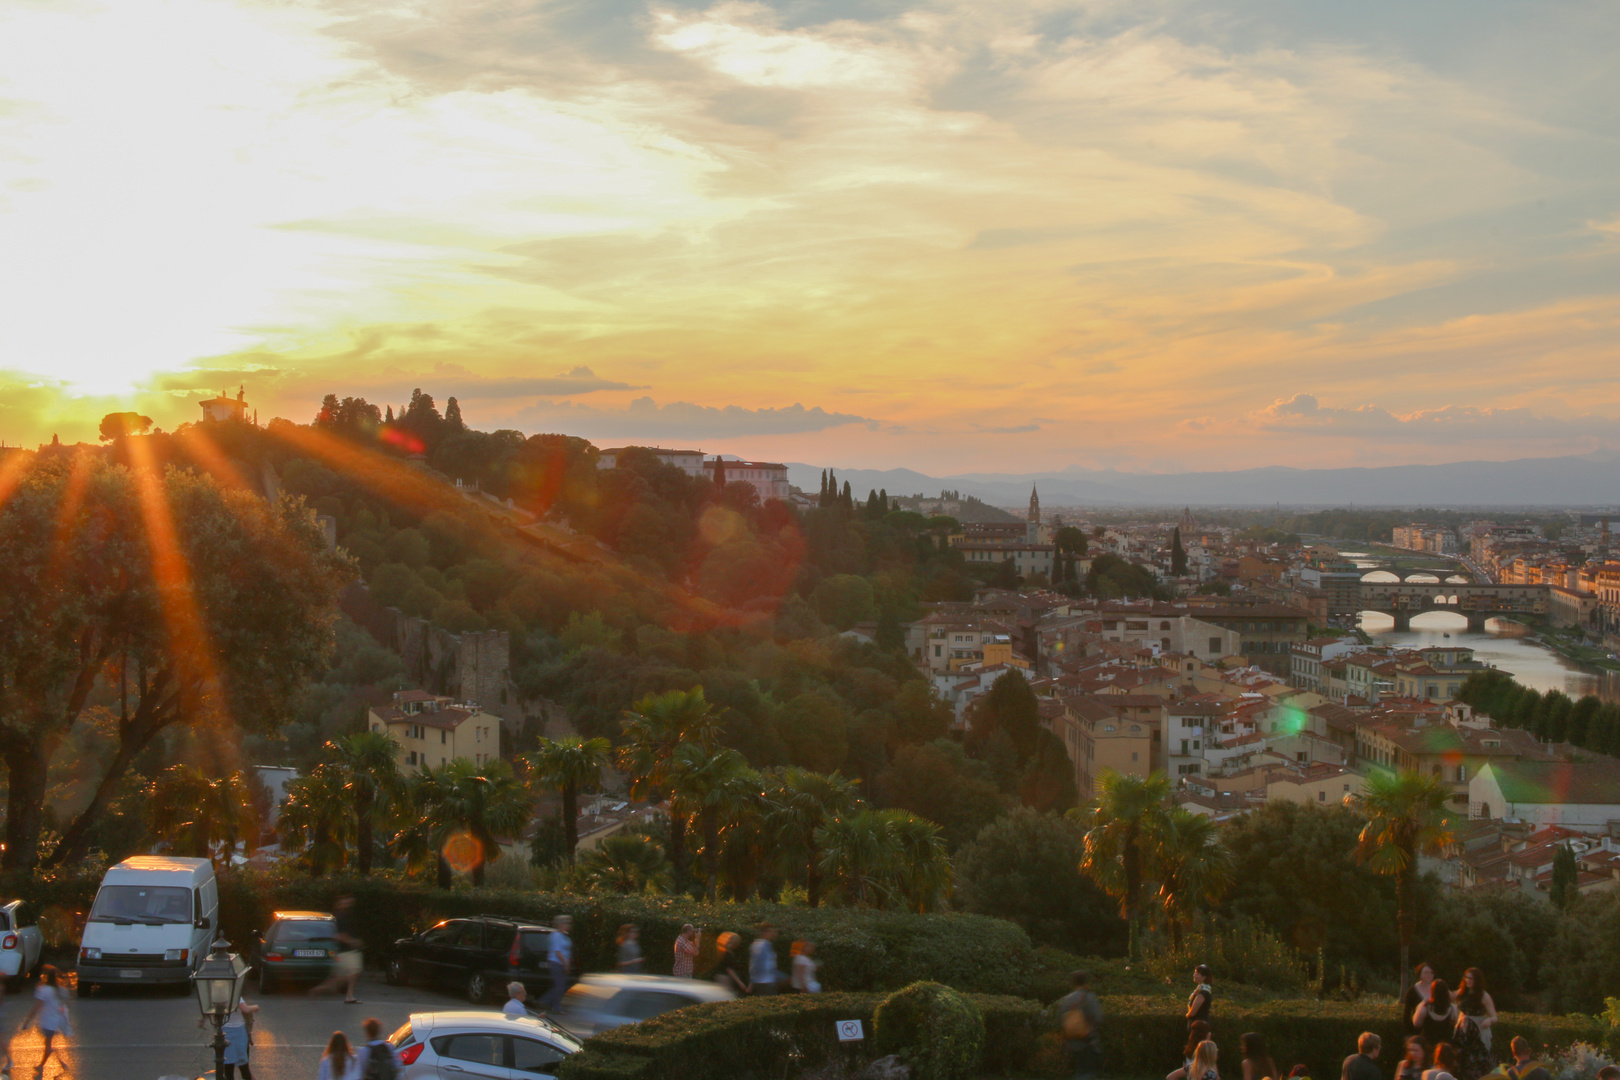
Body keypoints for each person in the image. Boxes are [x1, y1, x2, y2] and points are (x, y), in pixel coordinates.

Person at [20, 965, 71, 1076]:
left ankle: (41, 1065)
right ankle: (56, 1058)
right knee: (47, 1043)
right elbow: (66, 1004)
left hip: (47, 1022)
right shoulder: (61, 990)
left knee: (47, 1044)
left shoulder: (43, 990)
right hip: (56, 1021)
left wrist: (27, 1021)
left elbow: (36, 1007)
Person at [312, 895, 364, 1004]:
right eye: (345, 903)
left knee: (349, 974)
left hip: (348, 951)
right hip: (347, 951)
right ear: (340, 904)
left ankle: (347, 995)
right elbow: (338, 936)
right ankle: (322, 989)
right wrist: (352, 942)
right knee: (352, 973)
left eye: (349, 903)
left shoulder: (347, 916)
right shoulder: (341, 918)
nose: (348, 905)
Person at [1058, 970, 1104, 1080]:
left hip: (1071, 1040)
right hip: (1087, 1040)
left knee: (1079, 1069)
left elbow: (1061, 1019)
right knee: (1088, 1072)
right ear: (1086, 982)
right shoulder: (1089, 997)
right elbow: (1098, 1017)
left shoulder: (1066, 1000)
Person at [215, 997, 260, 1080]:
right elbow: (245, 1009)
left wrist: (202, 1020)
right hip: (239, 1033)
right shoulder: (236, 997)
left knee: (228, 1067)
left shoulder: (220, 996)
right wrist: (256, 1007)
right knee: (244, 1067)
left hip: (225, 1032)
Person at [538, 915, 574, 1013]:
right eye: (566, 923)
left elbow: (568, 952)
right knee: (560, 986)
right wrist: (565, 964)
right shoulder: (556, 935)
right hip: (556, 963)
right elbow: (558, 952)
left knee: (559, 985)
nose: (568, 926)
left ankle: (545, 1001)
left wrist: (568, 964)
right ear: (561, 924)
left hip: (562, 963)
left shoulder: (565, 936)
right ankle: (554, 1006)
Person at [1456, 969, 1497, 1052]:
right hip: (1463, 1029)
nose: (1468, 981)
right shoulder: (1462, 992)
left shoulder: (1484, 996)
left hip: (1478, 1031)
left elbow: (1495, 1017)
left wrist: (1489, 1020)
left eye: (1471, 978)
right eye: (1466, 978)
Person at [1413, 981, 1458, 1052]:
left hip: (1428, 1046)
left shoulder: (1425, 1007)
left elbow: (1416, 1023)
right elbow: (1456, 1026)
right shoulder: (1452, 1009)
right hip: (1445, 1048)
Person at [1403, 963, 1439, 1036]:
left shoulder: (1438, 989)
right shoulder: (1412, 991)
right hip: (1418, 1031)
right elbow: (1407, 1014)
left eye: (1431, 972)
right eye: (1426, 972)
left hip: (1435, 1030)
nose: (1429, 975)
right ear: (1420, 974)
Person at [748, 924, 780, 996]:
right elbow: (758, 965)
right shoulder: (763, 945)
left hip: (765, 981)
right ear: (764, 932)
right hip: (765, 982)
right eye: (771, 931)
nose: (773, 934)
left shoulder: (761, 944)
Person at [1187, 965, 1213, 1030]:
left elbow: (1193, 1012)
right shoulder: (1201, 989)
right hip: (1199, 1023)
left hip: (1200, 1025)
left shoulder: (1203, 992)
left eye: (1197, 974)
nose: (1194, 975)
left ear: (1204, 977)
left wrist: (1187, 1015)